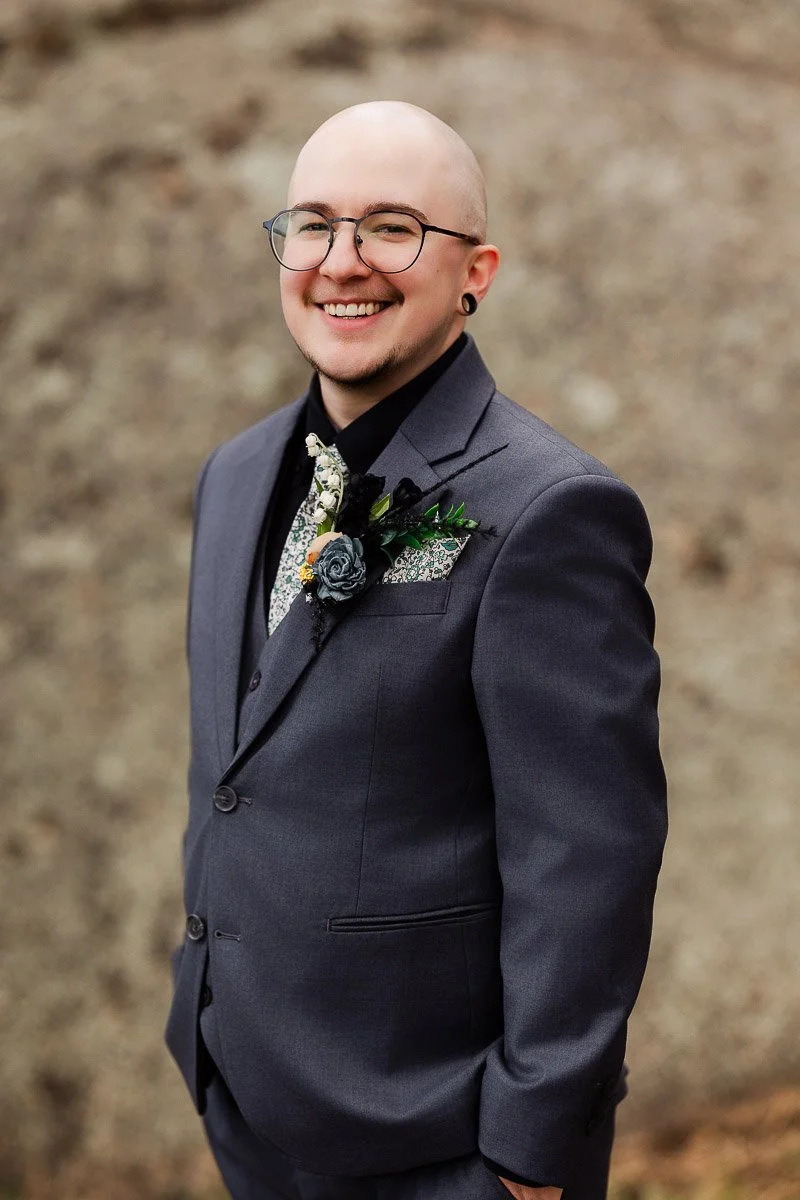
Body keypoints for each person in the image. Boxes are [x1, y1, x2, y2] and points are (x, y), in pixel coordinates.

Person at [164, 101, 667, 1200]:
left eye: (392, 228)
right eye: (312, 226)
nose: (342, 263)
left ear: (474, 270)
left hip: (441, 1136)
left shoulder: (549, 509)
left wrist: (530, 1147)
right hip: (246, 1093)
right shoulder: (235, 475)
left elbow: (586, 856)